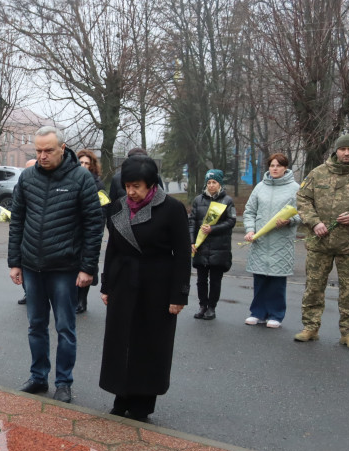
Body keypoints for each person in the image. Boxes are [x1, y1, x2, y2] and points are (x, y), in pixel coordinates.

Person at [9, 127, 104, 403]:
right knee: (35, 325)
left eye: (48, 150)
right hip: (31, 267)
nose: (42, 156)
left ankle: (63, 382)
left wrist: (88, 268)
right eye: (38, 151)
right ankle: (38, 377)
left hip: (64, 268)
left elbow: (93, 227)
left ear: (63, 148)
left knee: (65, 327)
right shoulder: (27, 178)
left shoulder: (81, 179)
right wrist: (15, 262)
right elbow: (17, 222)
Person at [99, 156, 190, 421]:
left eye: (136, 186)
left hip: (157, 285)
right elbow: (113, 247)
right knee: (121, 340)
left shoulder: (172, 208)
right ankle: (120, 396)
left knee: (150, 343)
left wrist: (179, 295)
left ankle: (143, 403)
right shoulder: (117, 207)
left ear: (151, 185)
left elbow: (183, 254)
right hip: (124, 281)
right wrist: (106, 285)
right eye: (127, 185)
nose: (131, 192)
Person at [295, 134, 349, 349]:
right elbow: (303, 199)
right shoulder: (318, 173)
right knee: (314, 287)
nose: (346, 153)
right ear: (336, 151)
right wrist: (314, 223)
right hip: (320, 242)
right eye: (342, 149)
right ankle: (310, 327)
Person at [243, 153, 301, 328]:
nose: (274, 168)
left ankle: (276, 314)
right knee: (259, 278)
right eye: (272, 165)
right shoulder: (260, 187)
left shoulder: (295, 188)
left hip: (281, 241)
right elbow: (250, 211)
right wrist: (250, 230)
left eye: (278, 165)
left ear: (285, 168)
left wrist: (290, 221)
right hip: (260, 241)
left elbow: (302, 213)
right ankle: (258, 313)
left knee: (277, 280)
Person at [189, 170, 236, 320]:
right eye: (209, 182)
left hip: (219, 246)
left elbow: (231, 221)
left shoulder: (227, 200)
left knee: (215, 279)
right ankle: (202, 305)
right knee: (201, 279)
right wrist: (191, 241)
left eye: (214, 182)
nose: (211, 185)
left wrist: (213, 229)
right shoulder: (198, 200)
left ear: (219, 184)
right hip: (201, 246)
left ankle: (212, 307)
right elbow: (191, 222)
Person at [76, 148, 106, 314]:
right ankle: (73, 298)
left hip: (88, 233)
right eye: (81, 162)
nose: (84, 166)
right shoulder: (70, 180)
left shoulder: (98, 185)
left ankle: (82, 300)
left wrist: (97, 231)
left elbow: (102, 212)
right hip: (72, 232)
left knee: (86, 266)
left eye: (87, 163)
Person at [16, 159, 37, 306]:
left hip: (35, 238)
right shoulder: (21, 185)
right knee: (24, 268)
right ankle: (27, 292)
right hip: (24, 236)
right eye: (26, 169)